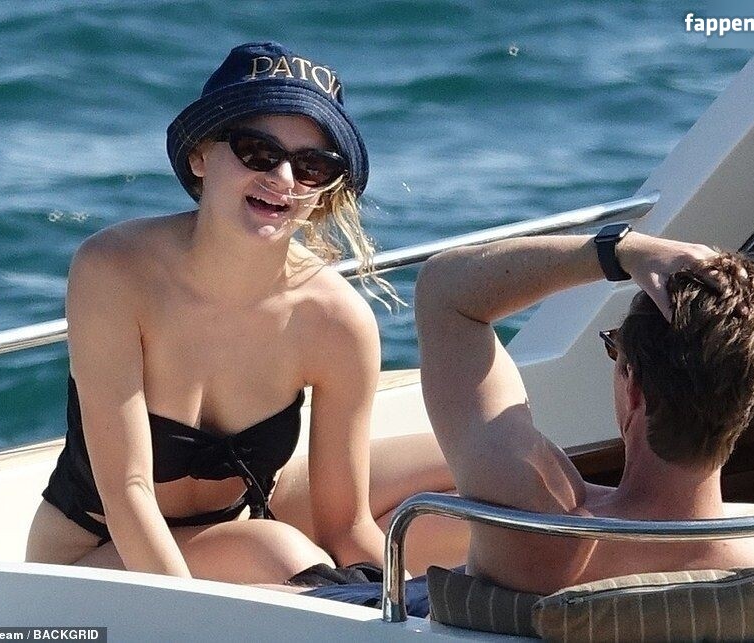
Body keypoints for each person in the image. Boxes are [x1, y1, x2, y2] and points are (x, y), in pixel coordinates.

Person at [25, 41, 465, 584]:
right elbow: (128, 494)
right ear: (200, 157)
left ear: (324, 192)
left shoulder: (337, 322)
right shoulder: (114, 270)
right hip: (95, 555)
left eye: (311, 165)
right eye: (257, 151)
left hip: (243, 522)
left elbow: (345, 527)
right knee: (276, 550)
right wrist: (195, 614)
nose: (283, 178)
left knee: (488, 474)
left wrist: (395, 600)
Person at [414, 227, 754, 595]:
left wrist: (623, 250)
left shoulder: (543, 533)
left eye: (613, 349)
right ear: (749, 398)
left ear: (634, 388)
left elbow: (443, 290)